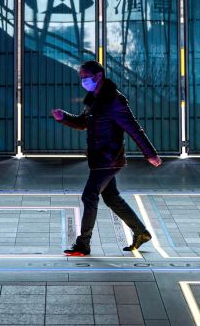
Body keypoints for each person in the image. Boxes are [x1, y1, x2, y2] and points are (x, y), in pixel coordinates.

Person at [51, 60, 162, 257]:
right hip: (98, 158)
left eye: (85, 76)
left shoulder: (114, 100)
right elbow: (83, 123)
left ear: (98, 75)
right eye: (81, 77)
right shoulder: (93, 99)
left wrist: (150, 154)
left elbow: (134, 128)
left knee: (89, 196)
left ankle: (83, 244)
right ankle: (141, 233)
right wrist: (63, 117)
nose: (83, 80)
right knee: (111, 198)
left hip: (109, 158)